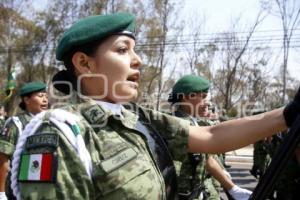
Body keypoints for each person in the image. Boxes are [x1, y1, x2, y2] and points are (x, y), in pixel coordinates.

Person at [9, 12, 299, 200]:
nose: (138, 61)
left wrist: (288, 114)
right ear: (84, 63)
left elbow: (211, 137)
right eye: (123, 50)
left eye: (135, 51)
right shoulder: (62, 132)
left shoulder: (136, 118)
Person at [169, 75, 252, 200]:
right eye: (202, 97)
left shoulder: (190, 121)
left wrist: (232, 188)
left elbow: (207, 159)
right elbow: (215, 142)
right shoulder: (179, 124)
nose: (206, 102)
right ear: (185, 97)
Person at [0, 82, 48, 200]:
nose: (45, 100)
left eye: (46, 96)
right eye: (40, 96)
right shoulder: (16, 124)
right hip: (19, 189)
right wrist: (1, 193)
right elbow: (3, 160)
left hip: (45, 187)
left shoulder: (50, 122)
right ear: (27, 99)